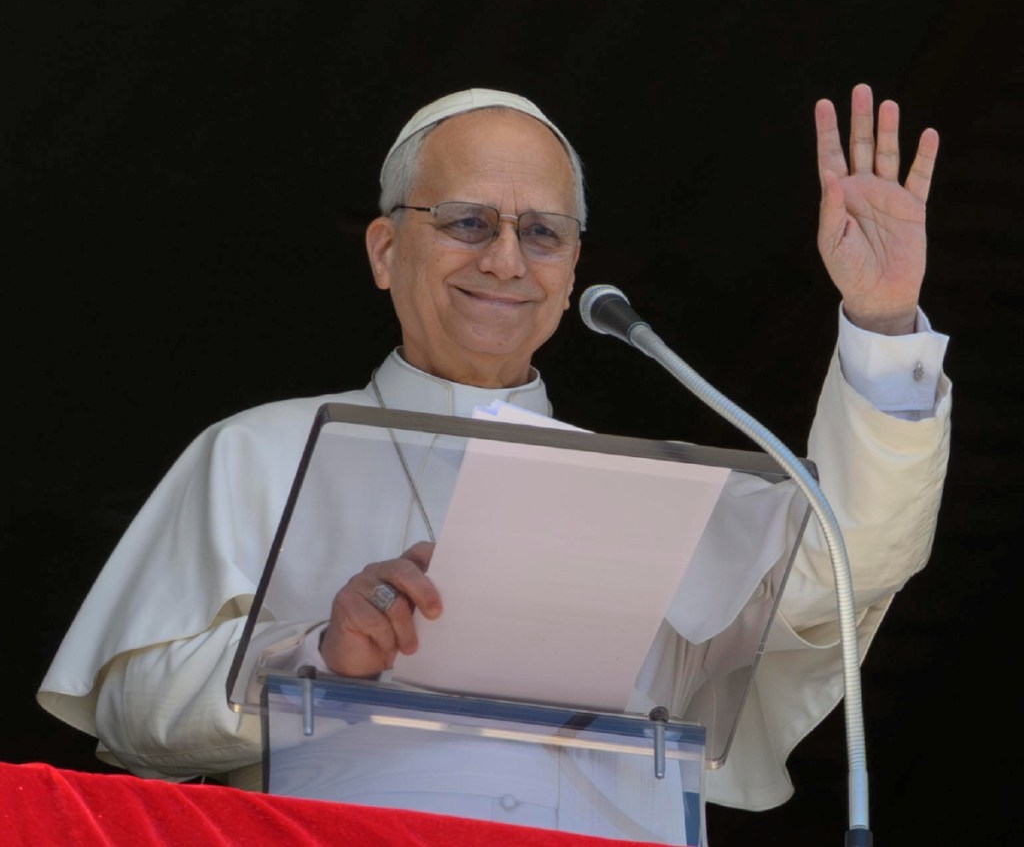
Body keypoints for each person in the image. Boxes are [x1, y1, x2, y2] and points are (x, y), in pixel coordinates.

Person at [38, 86, 950, 842]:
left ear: (573, 266)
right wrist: (314, 656)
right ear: (386, 250)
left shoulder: (651, 497)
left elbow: (850, 566)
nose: (507, 260)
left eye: (543, 233)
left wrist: (881, 321)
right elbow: (130, 716)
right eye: (468, 221)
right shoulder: (255, 450)